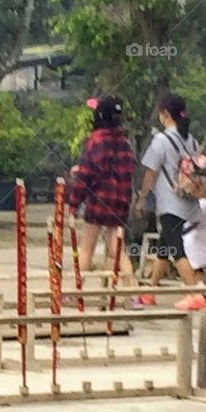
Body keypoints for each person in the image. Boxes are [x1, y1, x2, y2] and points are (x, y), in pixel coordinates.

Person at [66, 96, 144, 306]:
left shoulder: (96, 140)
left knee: (86, 248)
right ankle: (133, 291)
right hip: (120, 201)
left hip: (99, 201)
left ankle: (76, 290)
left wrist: (73, 203)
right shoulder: (124, 142)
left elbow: (87, 175)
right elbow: (128, 173)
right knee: (116, 247)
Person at [135, 93, 206, 311]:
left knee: (175, 249)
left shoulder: (161, 140)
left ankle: (194, 293)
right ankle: (150, 292)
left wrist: (141, 199)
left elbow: (151, 172)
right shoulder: (191, 139)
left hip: (170, 204)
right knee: (165, 247)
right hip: (190, 201)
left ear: (165, 113)